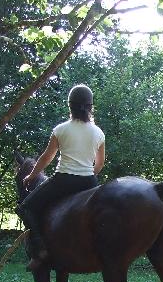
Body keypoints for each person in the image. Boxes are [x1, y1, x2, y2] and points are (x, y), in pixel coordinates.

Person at [16, 84, 106, 270]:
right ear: (90, 106)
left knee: (26, 208)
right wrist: (89, 174)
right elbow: (100, 163)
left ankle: (40, 250)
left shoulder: (61, 129)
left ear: (70, 106)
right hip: (89, 182)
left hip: (63, 180)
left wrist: (32, 176)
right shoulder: (99, 133)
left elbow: (47, 157)